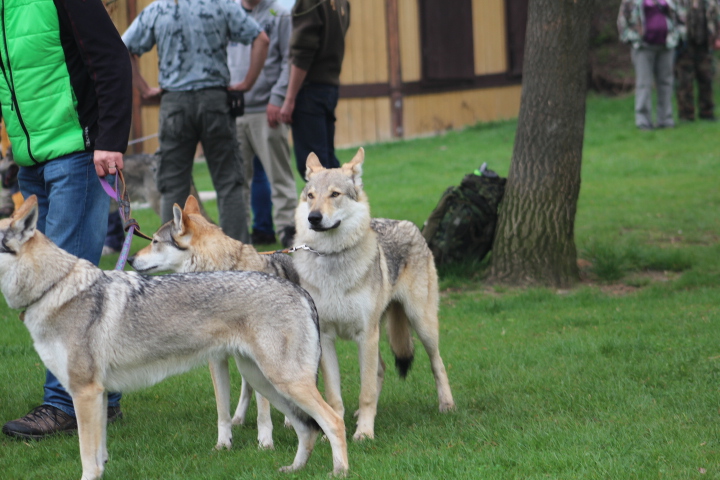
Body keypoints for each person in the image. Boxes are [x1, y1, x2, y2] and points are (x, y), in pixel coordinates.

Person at [1, 0, 132, 439]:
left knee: (61, 286)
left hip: (78, 154)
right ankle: (105, 395)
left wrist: (111, 138)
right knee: (58, 284)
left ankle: (62, 405)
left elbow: (113, 59)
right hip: (31, 162)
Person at [122, 0, 269, 244]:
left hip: (175, 104)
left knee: (173, 185)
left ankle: (174, 254)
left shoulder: (159, 8)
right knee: (228, 183)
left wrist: (144, 88)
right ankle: (236, 260)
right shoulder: (221, 5)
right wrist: (247, 84)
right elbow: (261, 39)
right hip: (216, 101)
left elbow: (124, 47)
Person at [228, 0, 298, 248]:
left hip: (268, 109)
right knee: (236, 180)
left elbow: (290, 59)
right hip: (233, 110)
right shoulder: (229, 11)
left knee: (279, 175)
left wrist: (278, 98)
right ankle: (238, 237)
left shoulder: (279, 14)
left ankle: (289, 231)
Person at [280, 0, 351, 176]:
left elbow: (303, 51)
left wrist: (289, 99)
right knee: (328, 162)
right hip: (329, 85)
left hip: (309, 89)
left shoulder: (309, 2)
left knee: (314, 169)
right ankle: (344, 201)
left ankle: (336, 203)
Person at [618, 0, 683, 130]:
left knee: (666, 82)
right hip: (643, 47)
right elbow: (622, 20)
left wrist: (677, 35)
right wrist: (632, 38)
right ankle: (643, 121)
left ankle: (665, 120)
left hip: (666, 45)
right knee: (644, 83)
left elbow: (679, 16)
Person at [675, 0, 720, 122]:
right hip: (684, 46)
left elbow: (717, 16)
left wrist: (717, 37)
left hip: (705, 45)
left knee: (706, 78)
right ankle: (686, 114)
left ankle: (707, 111)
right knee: (684, 81)